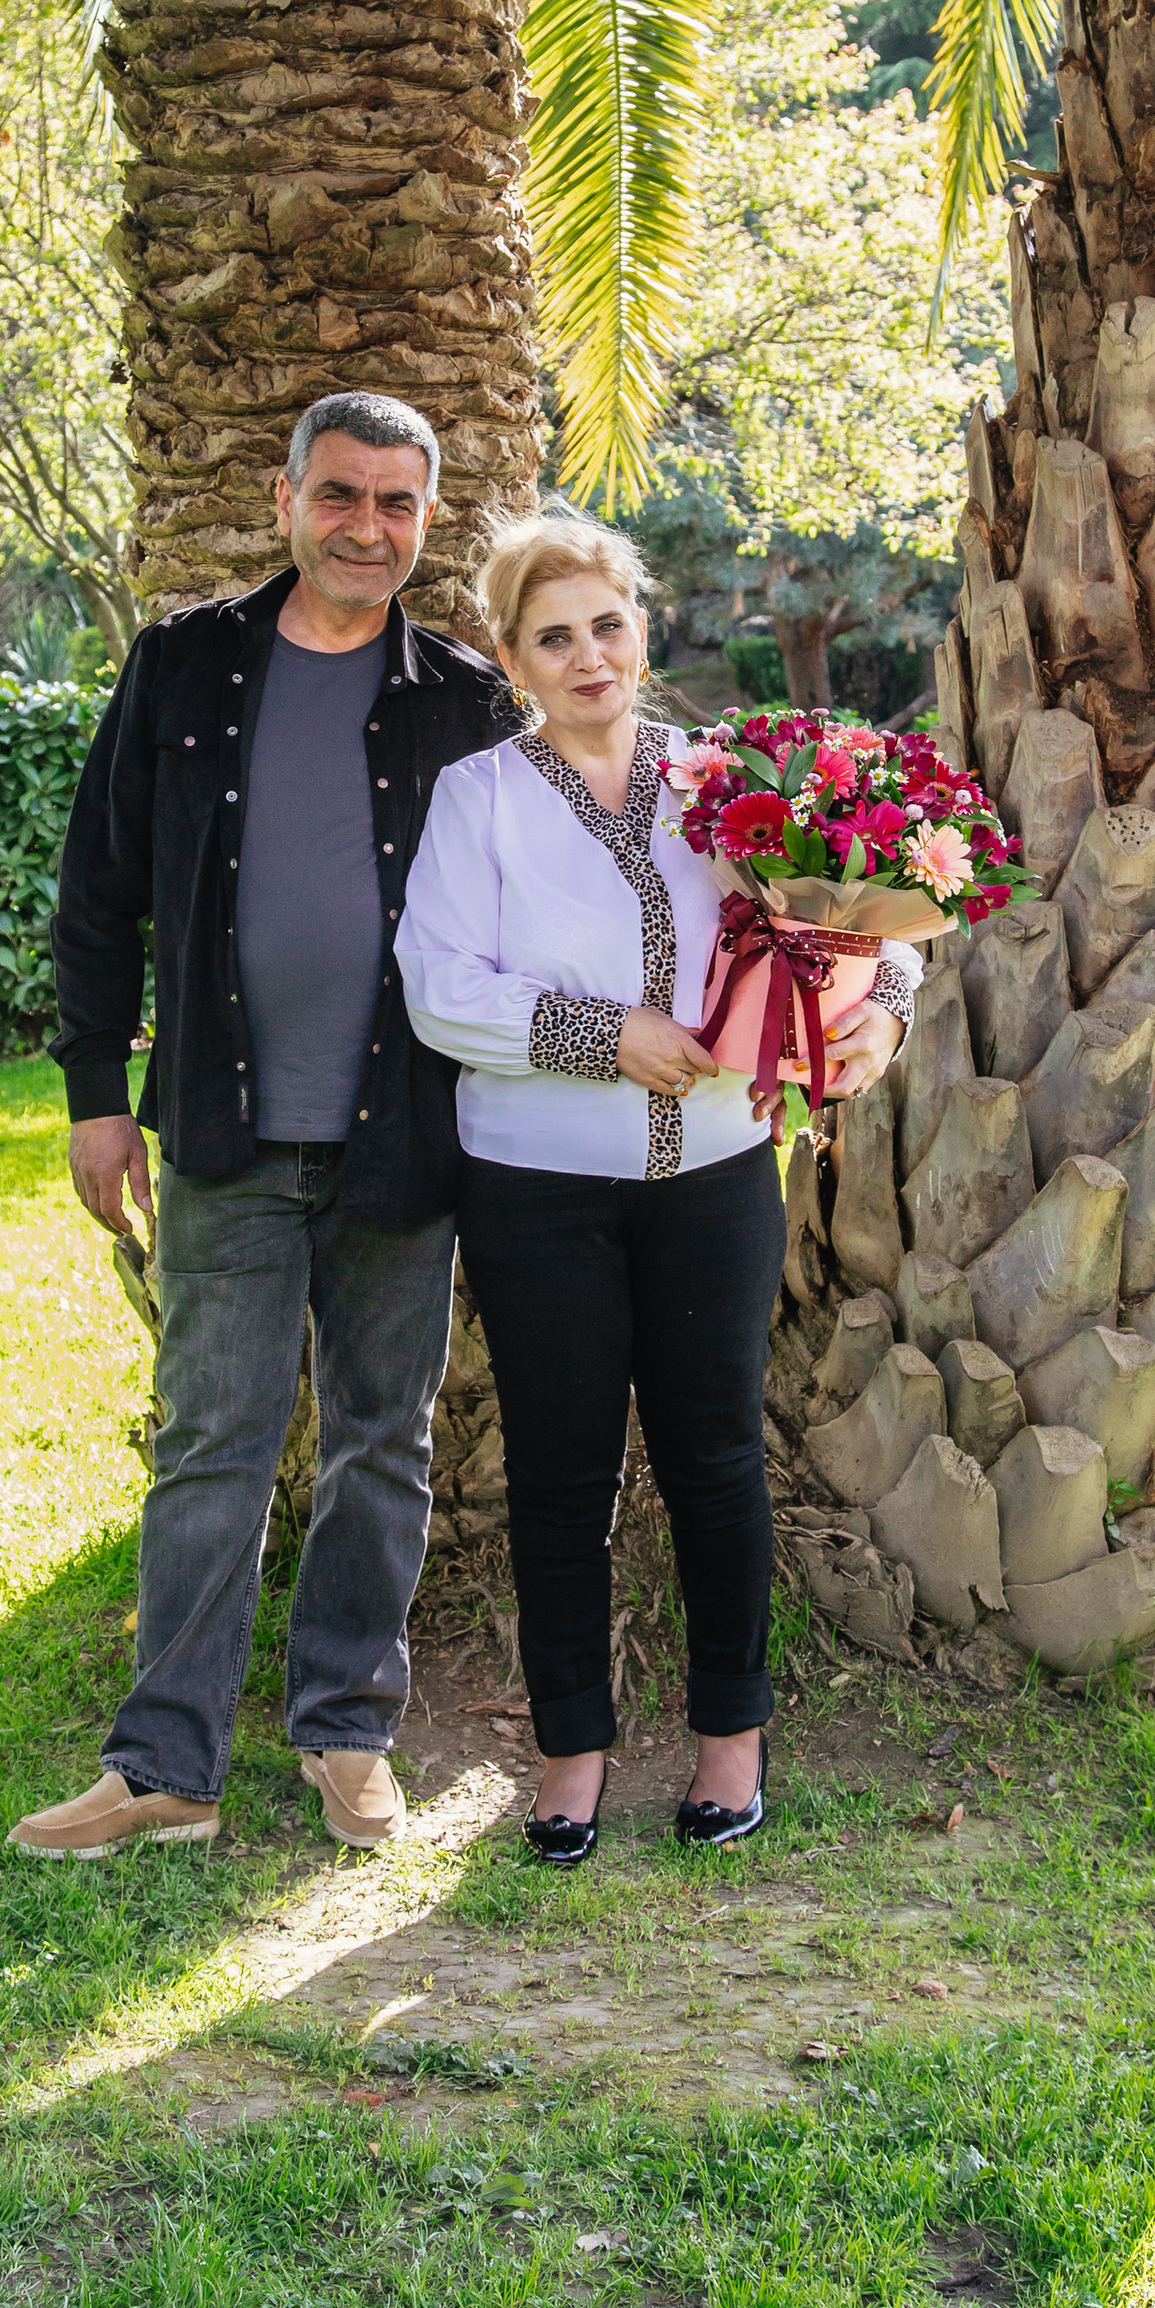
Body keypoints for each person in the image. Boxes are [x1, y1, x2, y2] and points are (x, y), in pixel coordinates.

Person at [12, 392, 518, 1860]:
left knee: (383, 1440)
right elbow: (98, 893)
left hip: (403, 1142)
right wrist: (96, 1097)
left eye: (401, 504)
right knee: (211, 1440)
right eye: (344, 496)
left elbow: (573, 869)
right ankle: (164, 1767)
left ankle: (348, 1734)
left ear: (429, 519)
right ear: (286, 497)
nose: (371, 528)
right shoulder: (183, 665)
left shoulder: (467, 700)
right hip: (226, 1134)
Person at [394, 517, 915, 1863]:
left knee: (715, 1461)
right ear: (512, 658)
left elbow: (858, 909)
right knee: (562, 1478)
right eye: (553, 638)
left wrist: (885, 1014)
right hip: (538, 1186)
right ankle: (570, 1755)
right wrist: (602, 1034)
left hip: (721, 1178)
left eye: (606, 625)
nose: (588, 657)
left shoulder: (734, 779)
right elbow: (442, 988)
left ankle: (730, 1740)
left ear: (642, 626)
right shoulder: (480, 797)